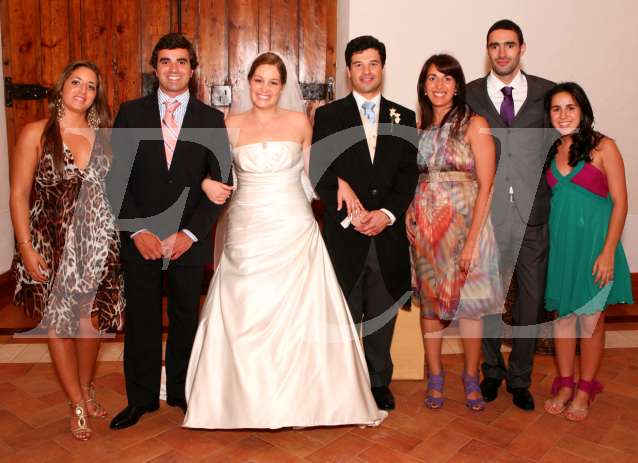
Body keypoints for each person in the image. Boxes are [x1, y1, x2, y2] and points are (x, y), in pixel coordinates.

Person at [183, 52, 385, 429]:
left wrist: (340, 182)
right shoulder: (229, 125)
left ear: (283, 87)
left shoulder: (299, 122)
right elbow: (212, 172)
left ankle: (304, 401)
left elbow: (315, 170)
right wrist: (205, 182)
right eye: (259, 80)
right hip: (247, 228)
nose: (265, 88)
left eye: (273, 82)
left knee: (300, 310)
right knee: (247, 305)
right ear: (248, 82)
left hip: (292, 224)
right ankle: (242, 401)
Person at [108, 33, 231, 430]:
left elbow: (222, 184)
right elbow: (116, 180)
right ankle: (140, 399)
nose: (173, 68)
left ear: (193, 69)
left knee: (184, 317)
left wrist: (190, 235)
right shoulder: (131, 113)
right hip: (140, 238)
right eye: (165, 61)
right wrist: (137, 230)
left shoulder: (211, 120)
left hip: (187, 241)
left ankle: (181, 391)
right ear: (154, 68)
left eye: (181, 61)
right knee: (141, 319)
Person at [10, 60, 124, 440]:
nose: (83, 91)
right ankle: (76, 402)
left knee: (92, 321)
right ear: (61, 87)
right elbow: (18, 195)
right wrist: (25, 247)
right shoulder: (36, 133)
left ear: (96, 96)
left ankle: (86, 388)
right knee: (59, 323)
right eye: (76, 82)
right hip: (51, 240)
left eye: (91, 86)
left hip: (98, 241)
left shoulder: (104, 137)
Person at [312, 35, 418, 410]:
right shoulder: (329, 116)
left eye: (373, 63)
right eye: (358, 65)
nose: (366, 71)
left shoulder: (404, 117)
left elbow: (407, 175)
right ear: (348, 71)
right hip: (345, 235)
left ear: (382, 68)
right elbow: (319, 170)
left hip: (386, 235)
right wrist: (353, 216)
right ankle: (345, 381)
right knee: (344, 310)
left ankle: (378, 381)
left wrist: (386, 214)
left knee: (381, 312)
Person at [466, 19, 555, 410]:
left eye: (509, 45)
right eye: (494, 46)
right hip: (488, 215)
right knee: (489, 299)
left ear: (522, 48)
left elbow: (563, 144)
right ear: (487, 50)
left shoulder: (547, 93)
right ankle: (492, 370)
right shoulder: (469, 94)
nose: (502, 53)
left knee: (530, 303)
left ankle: (520, 378)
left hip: (533, 216)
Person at [406, 54, 503, 411]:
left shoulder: (475, 124)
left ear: (458, 86)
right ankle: (435, 376)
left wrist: (472, 242)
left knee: (470, 308)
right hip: (428, 229)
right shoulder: (420, 128)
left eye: (447, 78)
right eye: (432, 78)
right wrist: (409, 210)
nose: (439, 85)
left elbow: (487, 184)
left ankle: (470, 376)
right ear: (423, 86)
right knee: (431, 306)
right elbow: (416, 177)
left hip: (467, 228)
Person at [542, 82, 632, 421]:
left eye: (570, 107)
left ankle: (585, 388)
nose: (563, 115)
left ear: (583, 111)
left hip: (595, 248)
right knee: (563, 319)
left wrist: (608, 251)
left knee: (591, 320)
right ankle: (566, 384)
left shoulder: (604, 147)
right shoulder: (550, 150)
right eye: (556, 109)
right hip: (561, 247)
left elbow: (621, 204)